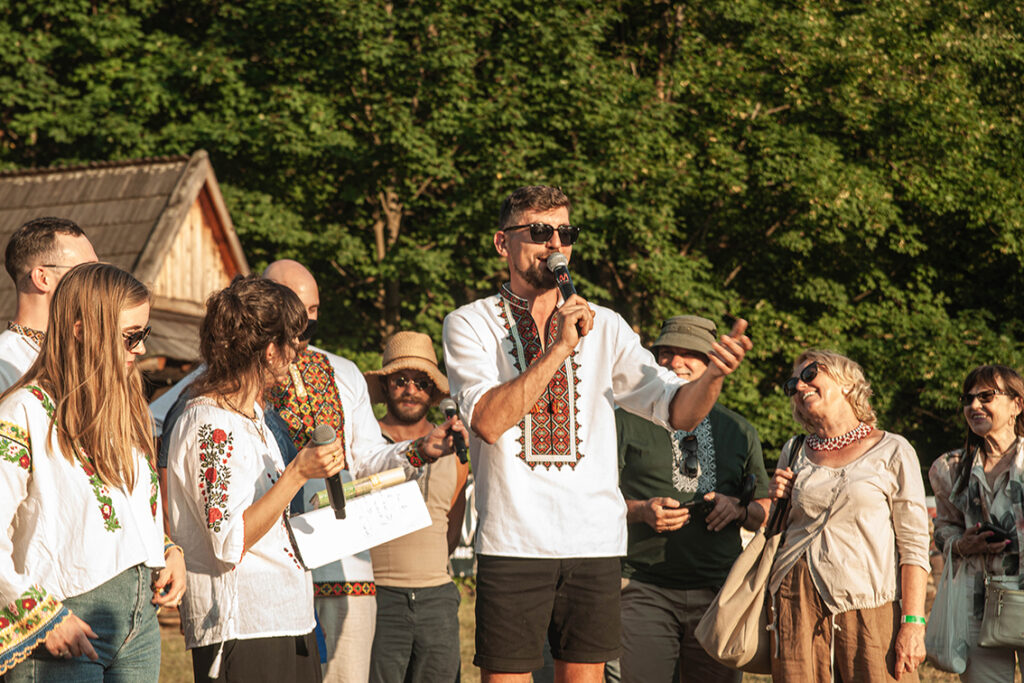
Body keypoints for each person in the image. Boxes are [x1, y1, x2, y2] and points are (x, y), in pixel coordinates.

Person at [442, 185, 751, 682]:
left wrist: (712, 376)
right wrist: (560, 348)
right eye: (539, 231)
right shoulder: (469, 323)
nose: (555, 244)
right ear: (503, 243)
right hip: (513, 541)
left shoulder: (606, 325)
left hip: (595, 543)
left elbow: (678, 411)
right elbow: (488, 422)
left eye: (566, 233)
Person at [262, 260, 468, 683]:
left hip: (345, 572)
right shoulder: (235, 375)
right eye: (297, 310)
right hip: (265, 569)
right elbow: (168, 424)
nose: (307, 323)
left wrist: (420, 450)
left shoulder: (342, 372)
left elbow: (368, 459)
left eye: (314, 312)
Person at [0, 262, 184, 681]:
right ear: (82, 330)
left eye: (145, 333)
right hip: (68, 619)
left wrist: (167, 548)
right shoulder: (23, 412)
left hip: (139, 621)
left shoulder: (126, 408)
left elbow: (125, 506)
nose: (141, 348)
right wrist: (38, 616)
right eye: (130, 336)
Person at [165, 274, 345, 682]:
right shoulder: (209, 423)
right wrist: (298, 473)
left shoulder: (252, 417)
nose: (297, 352)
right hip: (243, 627)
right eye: (292, 341)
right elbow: (229, 541)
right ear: (270, 351)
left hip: (286, 615)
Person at [615, 315, 770, 683]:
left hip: (719, 592)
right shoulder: (624, 420)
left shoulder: (738, 429)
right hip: (642, 585)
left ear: (712, 362)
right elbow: (593, 499)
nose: (675, 362)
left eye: (689, 354)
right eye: (666, 353)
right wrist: (641, 510)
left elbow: (766, 509)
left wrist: (738, 510)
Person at [768, 350, 930, 682]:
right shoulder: (794, 450)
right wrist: (778, 499)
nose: (800, 386)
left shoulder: (893, 450)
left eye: (810, 374)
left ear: (846, 382)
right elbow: (778, 532)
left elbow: (914, 544)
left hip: (869, 608)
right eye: (792, 384)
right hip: (796, 604)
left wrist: (913, 623)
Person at [363, 331, 470, 683]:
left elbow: (453, 525)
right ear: (385, 385)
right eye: (400, 380)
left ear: (433, 391)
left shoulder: (455, 449)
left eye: (421, 383)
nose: (411, 390)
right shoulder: (364, 445)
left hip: (437, 599)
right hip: (376, 597)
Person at [929, 364, 1024, 681]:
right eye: (968, 399)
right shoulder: (950, 468)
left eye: (986, 396)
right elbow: (944, 527)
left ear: (1017, 404)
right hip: (977, 602)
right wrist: (961, 543)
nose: (974, 405)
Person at [0, 217, 98, 391]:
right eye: (86, 272)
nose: (97, 282)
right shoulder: (5, 365)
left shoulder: (85, 355)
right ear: (43, 278)